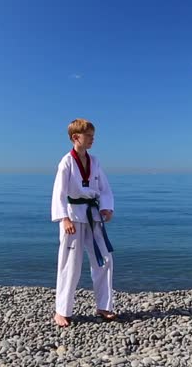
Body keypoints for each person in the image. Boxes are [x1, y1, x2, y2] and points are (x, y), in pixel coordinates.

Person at [51, 118, 116, 327]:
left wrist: (106, 207)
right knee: (70, 263)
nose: (92, 139)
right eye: (88, 136)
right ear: (75, 137)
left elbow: (104, 188)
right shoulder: (66, 162)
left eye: (93, 135)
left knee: (105, 259)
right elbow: (59, 193)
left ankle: (104, 306)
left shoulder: (95, 161)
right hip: (73, 216)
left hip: (93, 215)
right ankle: (62, 311)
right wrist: (64, 218)